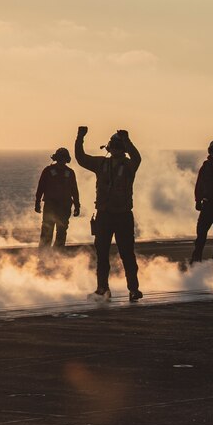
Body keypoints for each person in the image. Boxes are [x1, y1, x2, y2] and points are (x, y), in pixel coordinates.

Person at [75, 127, 142, 302]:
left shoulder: (129, 165)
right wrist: (79, 138)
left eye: (119, 146)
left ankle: (133, 289)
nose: (115, 149)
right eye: (114, 146)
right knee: (102, 255)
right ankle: (102, 289)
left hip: (123, 216)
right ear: (110, 148)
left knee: (127, 255)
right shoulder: (101, 164)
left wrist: (127, 139)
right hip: (104, 216)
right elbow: (81, 158)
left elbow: (137, 158)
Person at [35, 148, 80, 247]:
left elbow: (74, 190)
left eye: (63, 158)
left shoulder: (70, 173)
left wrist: (77, 206)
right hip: (50, 206)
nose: (62, 160)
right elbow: (40, 188)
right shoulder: (48, 171)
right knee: (47, 231)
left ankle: (58, 255)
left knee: (61, 232)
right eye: (60, 158)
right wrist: (37, 202)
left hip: (64, 207)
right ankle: (44, 256)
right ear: (56, 158)